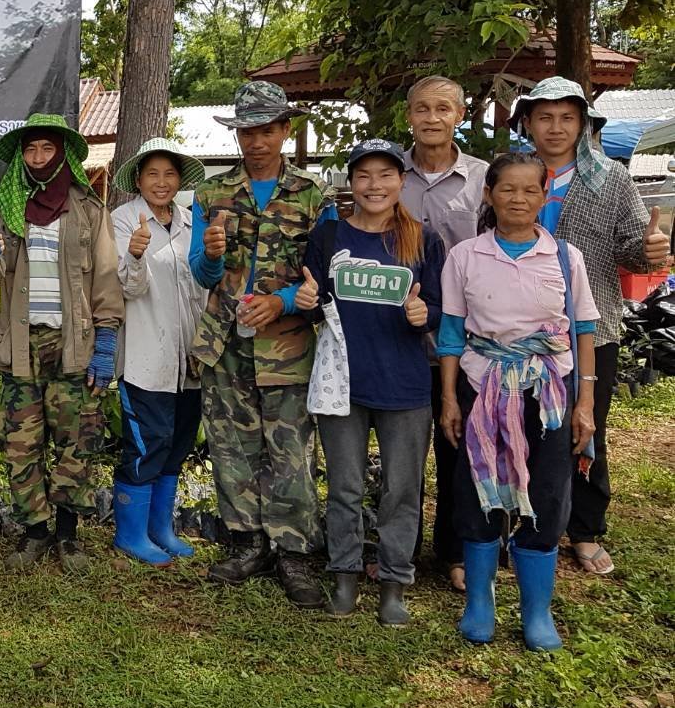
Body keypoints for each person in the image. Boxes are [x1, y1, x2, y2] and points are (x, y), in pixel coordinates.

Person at [437, 152, 598, 651]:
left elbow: (585, 330)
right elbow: (450, 333)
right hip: (481, 390)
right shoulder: (465, 255)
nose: (519, 199)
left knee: (548, 495)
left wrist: (585, 401)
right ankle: (480, 603)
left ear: (543, 195)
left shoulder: (565, 257)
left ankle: (536, 611)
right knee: (477, 489)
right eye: (508, 189)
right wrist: (448, 398)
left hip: (547, 394)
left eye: (531, 190)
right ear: (490, 194)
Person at [512, 76, 671, 575]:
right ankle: (522, 521)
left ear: (583, 123)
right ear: (528, 124)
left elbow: (631, 248)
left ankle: (584, 528)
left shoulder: (610, 179)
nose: (555, 127)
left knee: (585, 427)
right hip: (517, 331)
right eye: (544, 117)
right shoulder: (514, 174)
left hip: (591, 327)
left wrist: (650, 253)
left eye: (566, 117)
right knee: (518, 426)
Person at [188, 81, 328, 608]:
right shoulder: (211, 194)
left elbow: (323, 277)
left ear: (285, 131)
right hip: (224, 339)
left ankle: (292, 551)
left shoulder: (313, 197)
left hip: (286, 343)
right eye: (248, 131)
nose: (256, 141)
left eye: (267, 130)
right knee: (231, 442)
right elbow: (201, 275)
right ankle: (246, 541)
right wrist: (213, 256)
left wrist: (284, 302)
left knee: (290, 449)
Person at [298, 140, 444, 625]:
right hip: (343, 383)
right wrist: (304, 300)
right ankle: (343, 574)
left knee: (402, 489)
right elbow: (315, 298)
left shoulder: (422, 240)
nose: (374, 185)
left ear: (402, 181)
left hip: (405, 386)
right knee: (344, 486)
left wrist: (425, 314)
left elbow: (443, 311)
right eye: (364, 175)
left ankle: (394, 581)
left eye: (385, 175)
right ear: (350, 182)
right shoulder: (329, 236)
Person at [0, 113, 124, 575]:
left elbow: (106, 279)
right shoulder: (5, 206)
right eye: (31, 150)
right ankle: (34, 531)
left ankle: (67, 534)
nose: (38, 158)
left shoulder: (89, 210)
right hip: (21, 345)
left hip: (74, 344)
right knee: (21, 441)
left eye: (47, 149)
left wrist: (107, 339)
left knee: (75, 441)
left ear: (62, 155)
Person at [398, 75, 489, 591]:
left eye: (443, 109)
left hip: (465, 340)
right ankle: (400, 549)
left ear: (459, 115)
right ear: (408, 115)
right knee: (404, 451)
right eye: (422, 109)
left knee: (460, 447)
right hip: (403, 338)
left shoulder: (480, 179)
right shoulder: (391, 175)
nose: (432, 118)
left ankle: (455, 551)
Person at [108, 137, 209, 565]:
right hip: (146, 355)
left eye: (169, 174)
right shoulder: (123, 219)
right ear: (138, 180)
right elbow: (128, 288)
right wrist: (134, 255)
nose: (161, 182)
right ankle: (130, 534)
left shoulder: (191, 220)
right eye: (153, 174)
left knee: (179, 441)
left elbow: (205, 279)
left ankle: (160, 528)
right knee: (148, 441)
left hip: (191, 356)